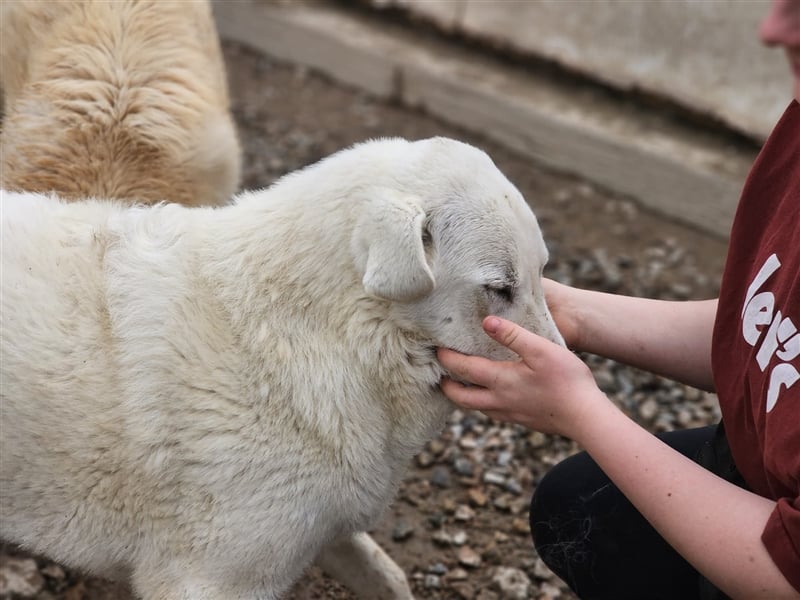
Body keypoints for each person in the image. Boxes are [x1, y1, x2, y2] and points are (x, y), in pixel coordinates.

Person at [437, 1, 800, 599]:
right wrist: (573, 315)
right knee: (574, 509)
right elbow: (769, 336)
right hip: (760, 470)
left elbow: (790, 574)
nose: (771, 30)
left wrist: (582, 411)